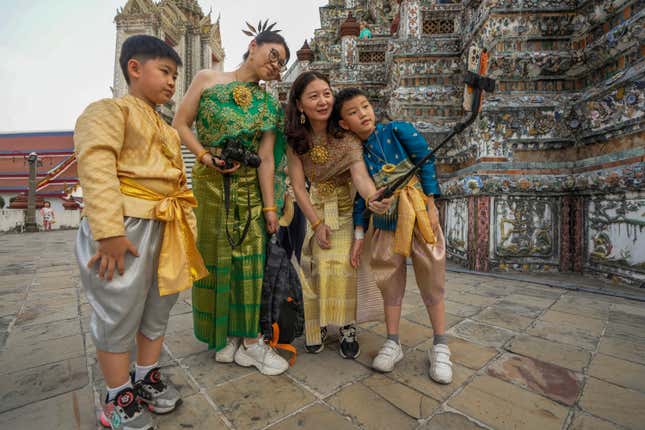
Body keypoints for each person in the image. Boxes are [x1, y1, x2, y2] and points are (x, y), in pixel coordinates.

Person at [75, 35, 207, 430]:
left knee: (158, 304)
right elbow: (96, 166)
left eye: (175, 75)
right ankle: (117, 396)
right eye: (165, 72)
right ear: (135, 68)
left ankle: (145, 374)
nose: (172, 82)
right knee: (118, 308)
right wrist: (108, 230)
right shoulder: (108, 111)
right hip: (125, 227)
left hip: (166, 223)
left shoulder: (166, 128)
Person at [173, 23, 291, 376]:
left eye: (282, 63)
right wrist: (205, 157)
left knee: (251, 263)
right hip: (210, 182)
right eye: (274, 55)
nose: (276, 65)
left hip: (250, 188)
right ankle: (223, 336)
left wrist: (270, 206)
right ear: (253, 46)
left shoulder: (269, 101)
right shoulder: (208, 79)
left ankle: (252, 342)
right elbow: (181, 124)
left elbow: (267, 158)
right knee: (214, 258)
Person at [332, 88, 453, 384]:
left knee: (432, 277)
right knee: (389, 281)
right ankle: (393, 342)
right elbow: (363, 199)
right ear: (344, 124)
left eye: (365, 106)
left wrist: (431, 201)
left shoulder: (397, 130)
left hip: (419, 213)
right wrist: (359, 235)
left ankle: (440, 345)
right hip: (386, 221)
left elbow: (426, 160)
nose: (363, 113)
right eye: (353, 112)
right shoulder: (356, 155)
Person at [284, 72, 391, 358]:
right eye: (314, 96)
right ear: (300, 104)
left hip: (345, 208)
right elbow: (297, 185)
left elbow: (360, 176)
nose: (323, 101)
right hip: (314, 207)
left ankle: (346, 325)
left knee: (346, 264)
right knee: (315, 266)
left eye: (327, 93)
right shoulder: (295, 139)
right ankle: (315, 324)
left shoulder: (346, 135)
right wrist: (316, 223)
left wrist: (372, 198)